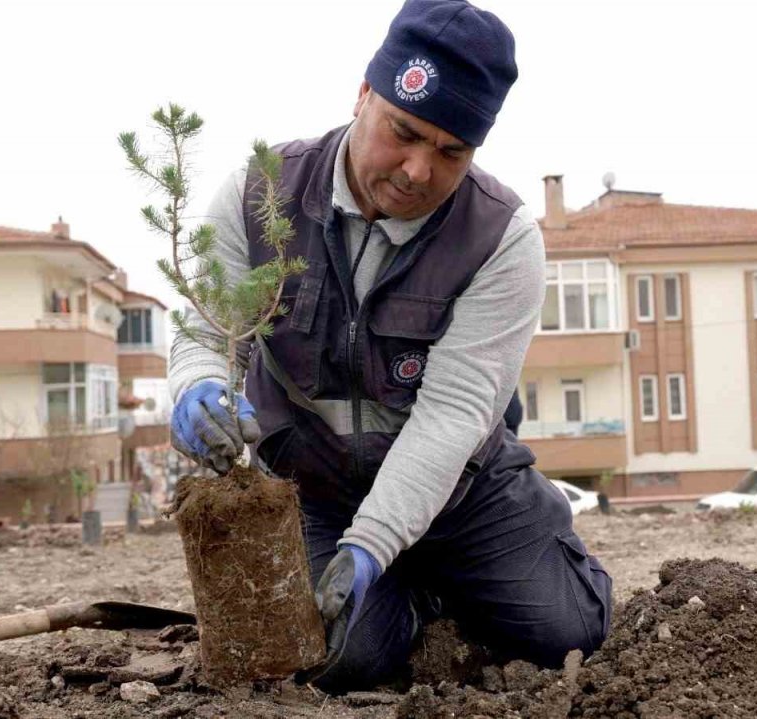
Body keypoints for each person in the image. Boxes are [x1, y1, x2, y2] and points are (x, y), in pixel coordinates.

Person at [168, 0, 611, 691]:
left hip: (466, 492)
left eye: (450, 152)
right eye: (402, 133)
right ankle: (409, 609)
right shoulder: (261, 196)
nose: (415, 170)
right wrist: (197, 385)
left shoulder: (501, 240)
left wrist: (374, 543)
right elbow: (204, 331)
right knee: (335, 656)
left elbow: (452, 416)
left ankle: (434, 569)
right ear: (363, 95)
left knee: (569, 632)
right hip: (317, 488)